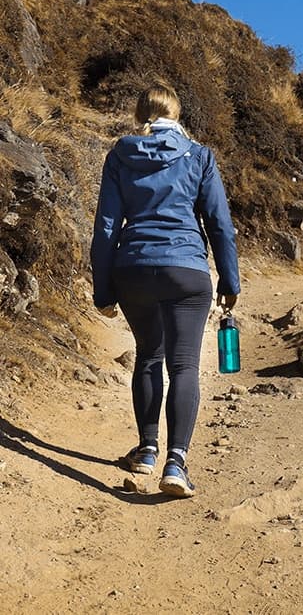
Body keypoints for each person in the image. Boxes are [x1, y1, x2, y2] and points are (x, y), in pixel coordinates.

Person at [90, 81, 240, 498]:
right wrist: (230, 281)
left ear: (142, 116)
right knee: (185, 366)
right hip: (186, 272)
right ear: (177, 115)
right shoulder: (199, 157)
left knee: (148, 357)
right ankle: (176, 463)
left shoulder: (120, 156)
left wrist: (103, 289)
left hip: (132, 268)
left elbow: (106, 227)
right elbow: (220, 225)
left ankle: (147, 450)